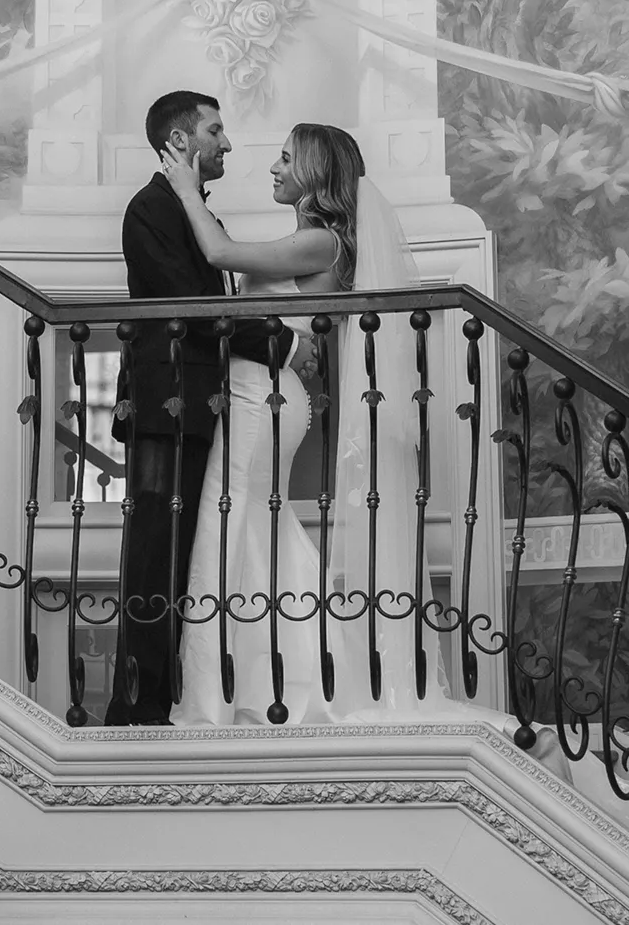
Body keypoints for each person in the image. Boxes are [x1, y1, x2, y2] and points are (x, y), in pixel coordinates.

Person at [159, 123, 518, 730]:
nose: (272, 168)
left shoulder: (321, 243)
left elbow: (220, 256)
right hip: (258, 393)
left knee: (235, 522)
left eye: (285, 159)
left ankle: (262, 684)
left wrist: (186, 190)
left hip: (267, 398)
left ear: (315, 174)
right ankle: (273, 672)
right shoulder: (310, 240)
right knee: (249, 527)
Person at [104, 91, 276, 727]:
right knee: (154, 553)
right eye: (215, 130)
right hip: (164, 406)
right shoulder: (150, 208)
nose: (227, 143)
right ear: (179, 142)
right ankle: (135, 710)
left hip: (198, 406)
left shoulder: (193, 210)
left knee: (184, 554)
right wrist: (279, 339)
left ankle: (170, 698)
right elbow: (191, 307)